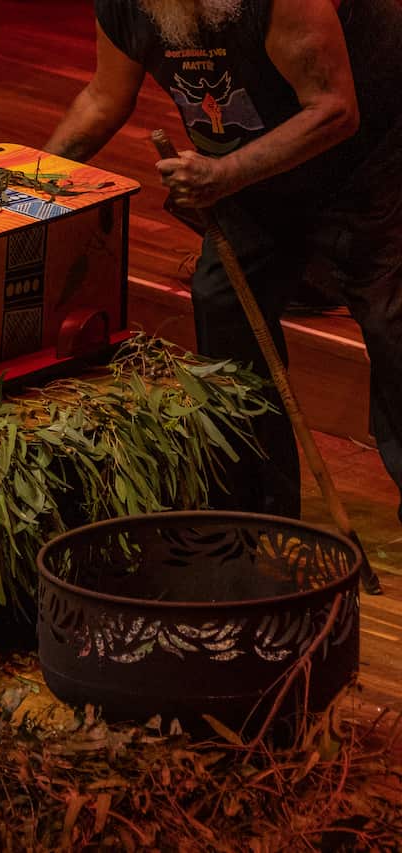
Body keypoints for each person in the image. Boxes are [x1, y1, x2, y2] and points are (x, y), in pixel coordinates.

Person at [45, 0, 402, 521]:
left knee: (392, 324)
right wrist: (31, 184)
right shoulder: (128, 4)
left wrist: (224, 174)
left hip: (369, 163)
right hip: (252, 170)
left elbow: (333, 110)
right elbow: (103, 97)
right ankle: (257, 512)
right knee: (223, 302)